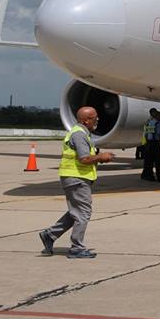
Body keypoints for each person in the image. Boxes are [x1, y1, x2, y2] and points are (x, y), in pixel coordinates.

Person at [38, 106, 115, 258]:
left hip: (75, 177)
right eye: (94, 117)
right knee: (83, 213)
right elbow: (84, 158)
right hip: (76, 178)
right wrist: (101, 157)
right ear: (85, 120)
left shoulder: (79, 132)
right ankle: (77, 248)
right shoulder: (79, 134)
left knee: (76, 212)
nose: (97, 119)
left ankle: (50, 235)